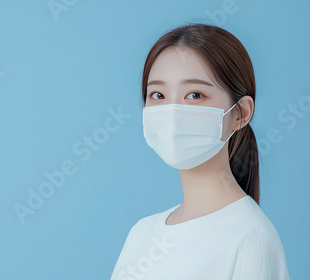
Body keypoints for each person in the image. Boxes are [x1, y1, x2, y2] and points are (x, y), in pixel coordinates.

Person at [110, 23, 290, 279]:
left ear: (240, 113)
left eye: (195, 94)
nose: (172, 113)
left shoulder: (251, 236)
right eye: (158, 95)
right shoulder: (141, 232)